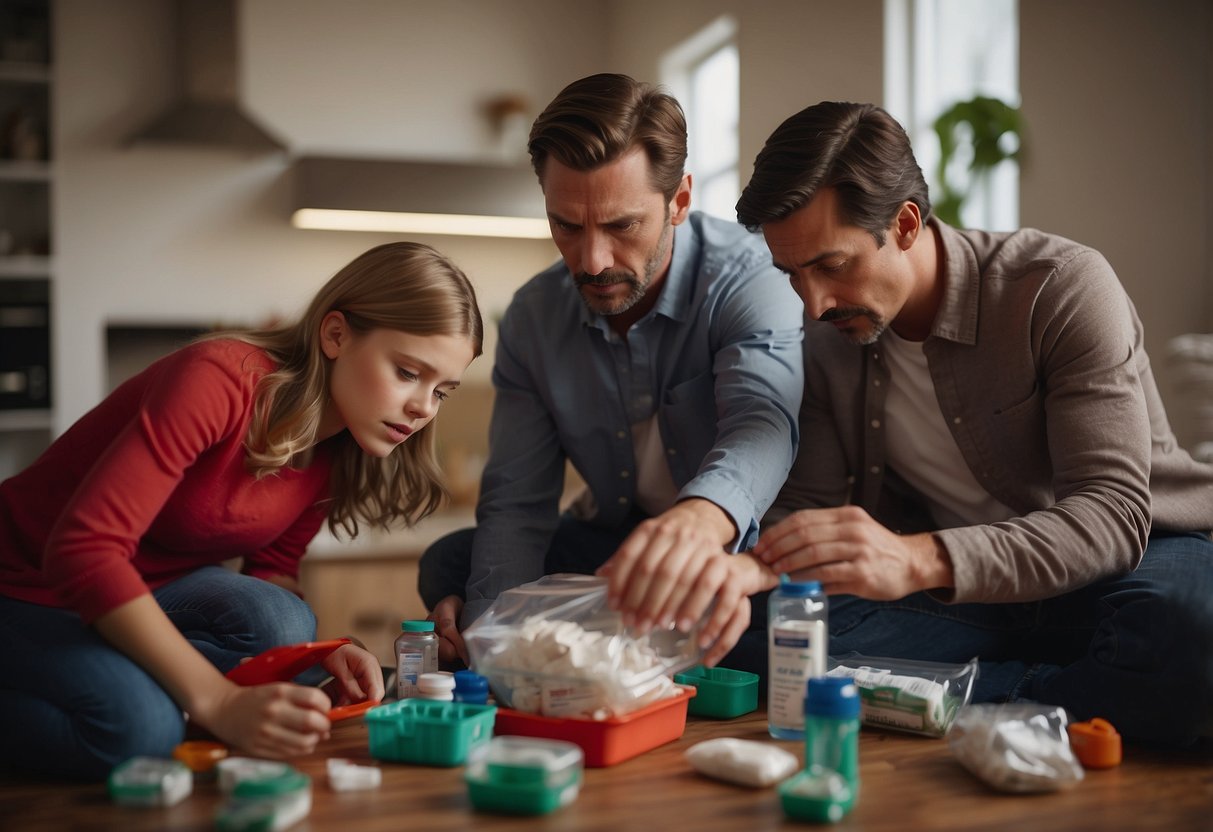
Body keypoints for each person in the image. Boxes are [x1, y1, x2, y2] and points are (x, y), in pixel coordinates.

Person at [735, 100, 1213, 745]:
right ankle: (1064, 697)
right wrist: (747, 571)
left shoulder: (1059, 286)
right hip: (972, 599)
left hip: (1130, 562)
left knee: (1185, 632)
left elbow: (1111, 513)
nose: (813, 301)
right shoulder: (827, 337)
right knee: (765, 632)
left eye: (832, 265)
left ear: (905, 223)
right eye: (791, 273)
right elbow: (809, 511)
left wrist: (918, 556)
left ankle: (961, 696)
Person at [0, 241, 485, 779]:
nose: (423, 407)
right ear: (336, 335)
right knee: (141, 730)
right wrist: (218, 701)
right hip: (26, 582)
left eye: (442, 391)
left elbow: (272, 573)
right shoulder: (218, 379)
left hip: (145, 588)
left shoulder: (341, 443)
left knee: (285, 619)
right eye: (407, 372)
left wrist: (320, 652)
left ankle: (132, 671)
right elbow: (83, 552)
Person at [419, 73, 803, 669]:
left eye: (622, 226)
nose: (592, 261)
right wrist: (492, 643)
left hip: (740, 552)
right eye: (566, 227)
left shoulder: (752, 277)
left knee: (802, 614)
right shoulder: (533, 316)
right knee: (450, 563)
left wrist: (701, 519)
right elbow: (518, 502)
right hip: (616, 543)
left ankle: (624, 640)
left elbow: (763, 423)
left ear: (679, 202)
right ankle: (638, 645)